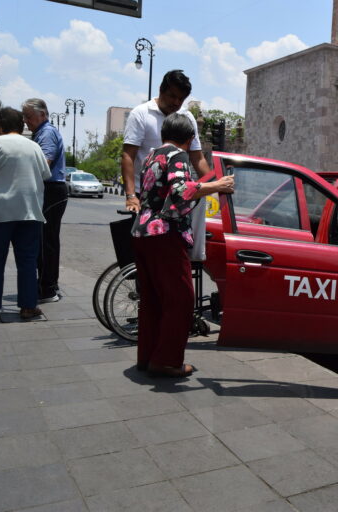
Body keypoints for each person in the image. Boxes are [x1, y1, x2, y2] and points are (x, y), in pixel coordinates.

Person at [131, 113, 234, 378]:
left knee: (153, 300)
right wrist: (216, 185)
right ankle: (166, 361)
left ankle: (148, 357)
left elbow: (149, 194)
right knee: (181, 300)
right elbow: (180, 191)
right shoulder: (177, 155)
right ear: (189, 140)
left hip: (142, 233)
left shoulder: (152, 156)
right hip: (164, 234)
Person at [0, 107, 51, 320]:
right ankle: (28, 307)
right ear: (21, 126)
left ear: (0, 126)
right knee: (27, 261)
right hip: (29, 211)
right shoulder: (35, 147)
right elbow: (45, 173)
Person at [122, 69, 211, 211]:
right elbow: (128, 156)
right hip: (145, 195)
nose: (176, 102)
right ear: (161, 90)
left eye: (181, 99)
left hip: (178, 195)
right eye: (172, 96)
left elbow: (198, 158)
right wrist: (131, 195)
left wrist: (214, 187)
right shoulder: (141, 114)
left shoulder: (187, 117)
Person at [22, 98, 67, 303]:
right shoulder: (42, 132)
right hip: (50, 190)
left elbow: (44, 165)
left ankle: (47, 288)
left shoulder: (47, 133)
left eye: (29, 116)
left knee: (46, 240)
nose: (26, 121)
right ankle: (48, 283)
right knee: (46, 239)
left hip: (51, 190)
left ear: (43, 114)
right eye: (24, 117)